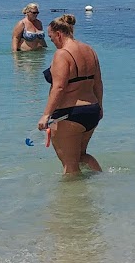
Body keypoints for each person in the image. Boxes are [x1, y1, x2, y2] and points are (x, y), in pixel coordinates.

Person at [39, 13, 102, 176]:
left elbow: (59, 87)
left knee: (70, 166)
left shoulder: (62, 54)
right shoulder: (90, 50)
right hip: (92, 110)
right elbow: (98, 83)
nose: (51, 41)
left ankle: (70, 200)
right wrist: (100, 107)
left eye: (51, 37)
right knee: (81, 157)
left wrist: (46, 115)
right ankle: (103, 180)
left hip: (69, 115)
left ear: (58, 34)